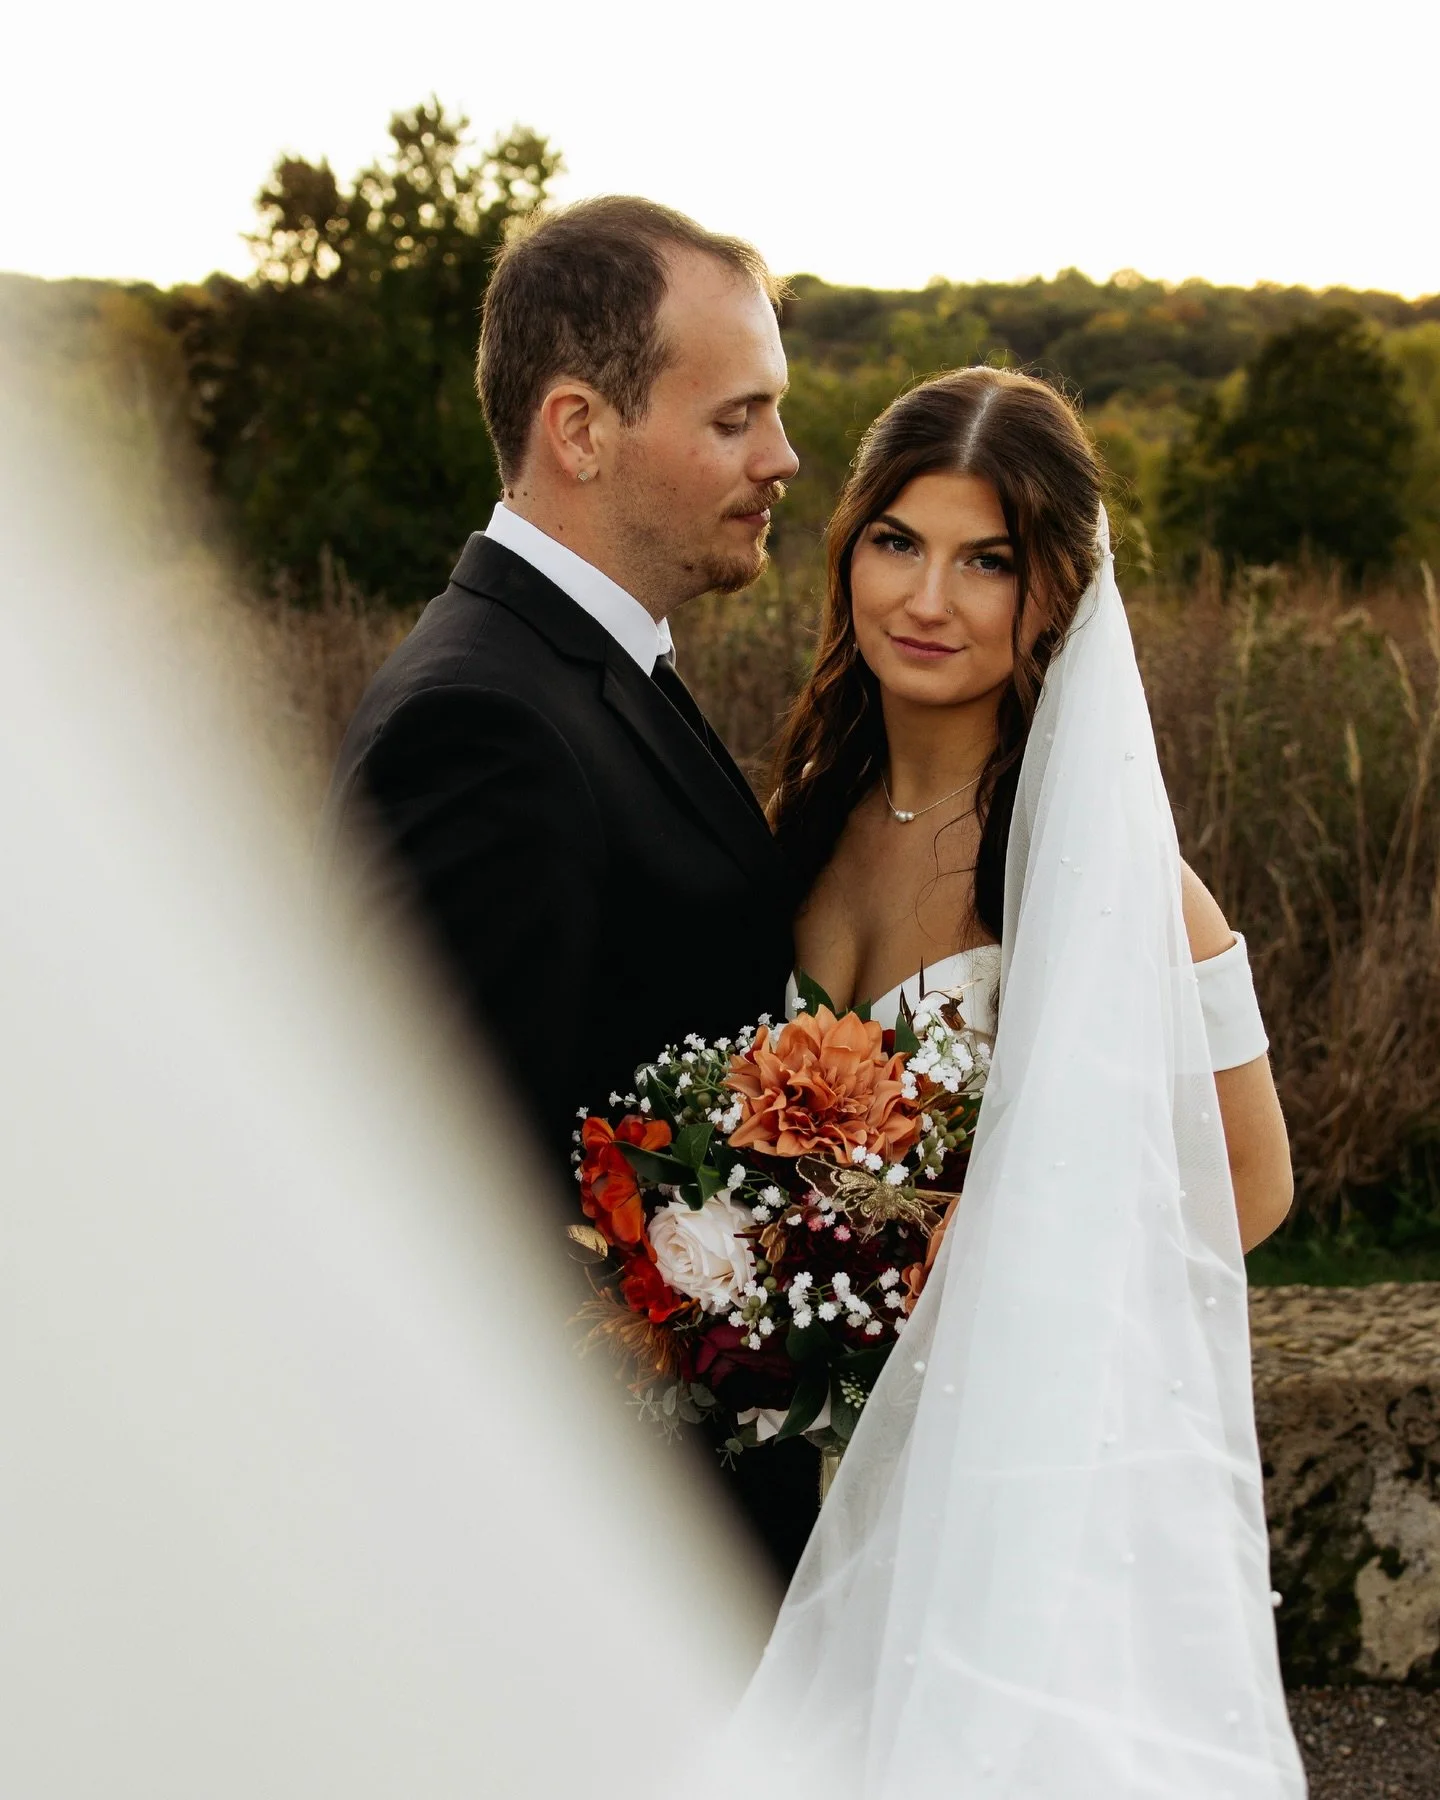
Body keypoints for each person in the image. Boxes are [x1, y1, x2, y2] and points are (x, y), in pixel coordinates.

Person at [722, 369, 1306, 1796]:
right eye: (897, 542)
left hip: (1008, 1493)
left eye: (987, 561)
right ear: (848, 552)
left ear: (1057, 597)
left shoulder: (1119, 881)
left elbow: (1251, 1183)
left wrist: (975, 1318)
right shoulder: (797, 824)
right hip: (795, 1467)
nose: (930, 598)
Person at [323, 197, 816, 1576]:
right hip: (622, 1555)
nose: (783, 457)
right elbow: (452, 1200)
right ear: (581, 430)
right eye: (737, 418)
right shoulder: (481, 728)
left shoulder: (586, 664)